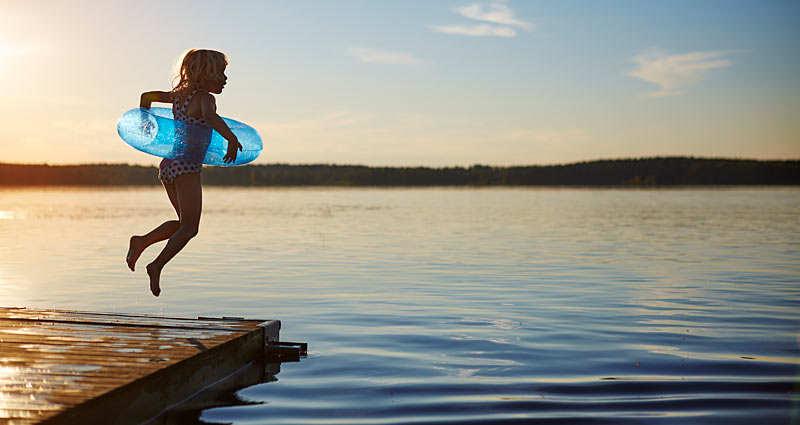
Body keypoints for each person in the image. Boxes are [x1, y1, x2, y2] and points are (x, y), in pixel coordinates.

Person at [126, 49, 242, 297]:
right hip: (187, 167)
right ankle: (156, 265)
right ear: (204, 74)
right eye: (219, 73)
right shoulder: (204, 98)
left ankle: (141, 241)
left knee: (182, 224)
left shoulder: (178, 96)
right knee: (191, 229)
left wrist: (145, 118)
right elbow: (211, 117)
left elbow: (147, 95)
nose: (224, 78)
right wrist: (231, 138)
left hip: (168, 165)